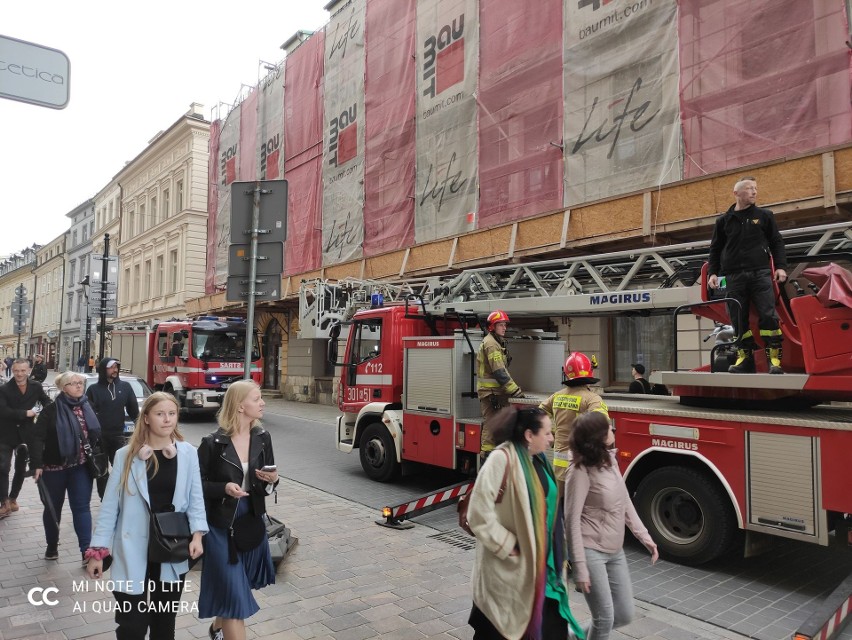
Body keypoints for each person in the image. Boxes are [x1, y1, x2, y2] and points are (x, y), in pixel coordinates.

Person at [86, 392, 207, 640]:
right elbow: (110, 506)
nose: (167, 419)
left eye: (172, 414)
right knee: (132, 624)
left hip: (171, 546)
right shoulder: (125, 455)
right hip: (132, 546)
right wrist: (97, 551)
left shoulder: (188, 453)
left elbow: (196, 499)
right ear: (147, 418)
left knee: (164, 622)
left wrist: (197, 536)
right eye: (160, 414)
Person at [466, 406, 583, 640]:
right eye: (548, 433)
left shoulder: (538, 459)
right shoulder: (502, 458)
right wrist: (508, 546)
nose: (552, 439)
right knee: (500, 630)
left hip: (544, 569)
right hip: (512, 571)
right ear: (529, 435)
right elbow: (477, 513)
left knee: (548, 628)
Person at [564, 412, 659, 640]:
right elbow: (571, 520)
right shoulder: (579, 471)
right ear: (596, 436)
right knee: (604, 618)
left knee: (624, 614)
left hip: (615, 550)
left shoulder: (609, 459)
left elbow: (624, 501)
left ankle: (571, 636)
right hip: (590, 550)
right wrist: (580, 566)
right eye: (607, 428)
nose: (612, 431)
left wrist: (644, 536)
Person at [198, 380, 278, 640]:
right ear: (240, 406)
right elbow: (196, 487)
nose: (262, 402)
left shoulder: (263, 438)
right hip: (221, 526)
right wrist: (224, 488)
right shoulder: (213, 443)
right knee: (236, 600)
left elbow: (268, 481)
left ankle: (216, 628)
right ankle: (223, 627)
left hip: (251, 521)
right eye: (257, 399)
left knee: (236, 590)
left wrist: (272, 481)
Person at [707, 177, 788, 374]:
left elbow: (776, 242)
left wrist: (780, 267)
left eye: (755, 188)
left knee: (768, 316)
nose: (754, 192)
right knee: (737, 319)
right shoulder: (723, 221)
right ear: (736, 193)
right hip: (733, 277)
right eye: (749, 188)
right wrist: (712, 273)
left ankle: (774, 361)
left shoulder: (764, 216)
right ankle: (744, 359)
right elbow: (715, 249)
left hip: (760, 273)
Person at [30, 371, 102, 562]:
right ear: (63, 388)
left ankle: (86, 551)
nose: (79, 386)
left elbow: (95, 434)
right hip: (53, 469)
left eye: (81, 382)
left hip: (80, 466)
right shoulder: (50, 410)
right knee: (53, 508)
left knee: (82, 508)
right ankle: (52, 545)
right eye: (73, 383)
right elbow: (37, 438)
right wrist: (36, 464)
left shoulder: (87, 406)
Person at [539, 353, 609, 501]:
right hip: (581, 465)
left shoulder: (556, 396)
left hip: (559, 466)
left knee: (560, 507)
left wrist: (552, 432)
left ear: (567, 374)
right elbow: (601, 423)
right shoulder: (591, 398)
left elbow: (539, 413)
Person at [0, 358, 52, 518]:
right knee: (3, 467)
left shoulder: (36, 386)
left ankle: (13, 498)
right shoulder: (4, 389)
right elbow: (3, 411)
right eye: (16, 371)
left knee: (21, 468)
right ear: (12, 370)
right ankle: (4, 502)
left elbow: (46, 402)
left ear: (29, 371)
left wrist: (50, 413)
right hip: (5, 433)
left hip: (27, 433)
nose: (19, 374)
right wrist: (25, 413)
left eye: (23, 370)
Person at [87, 358, 140, 500]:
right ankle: (105, 500)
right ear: (104, 369)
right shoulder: (93, 390)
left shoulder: (126, 387)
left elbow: (134, 411)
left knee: (123, 469)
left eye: (116, 367)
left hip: (118, 436)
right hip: (99, 438)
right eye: (111, 367)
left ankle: (123, 498)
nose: (115, 370)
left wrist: (141, 429)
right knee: (102, 472)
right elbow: (88, 414)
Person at [476, 310, 524, 456]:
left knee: (499, 424)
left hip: (496, 393)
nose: (504, 328)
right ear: (492, 327)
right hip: (491, 393)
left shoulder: (496, 342)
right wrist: (515, 391)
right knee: (491, 425)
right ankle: (487, 457)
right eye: (501, 325)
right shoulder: (491, 344)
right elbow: (499, 372)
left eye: (505, 325)